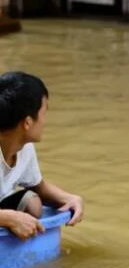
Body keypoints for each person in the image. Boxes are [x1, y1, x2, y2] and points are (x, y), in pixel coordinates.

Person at [0, 71, 84, 240]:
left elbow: (39, 187)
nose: (45, 121)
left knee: (33, 204)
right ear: (27, 122)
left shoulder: (24, 147)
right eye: (44, 113)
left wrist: (70, 199)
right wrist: (10, 218)